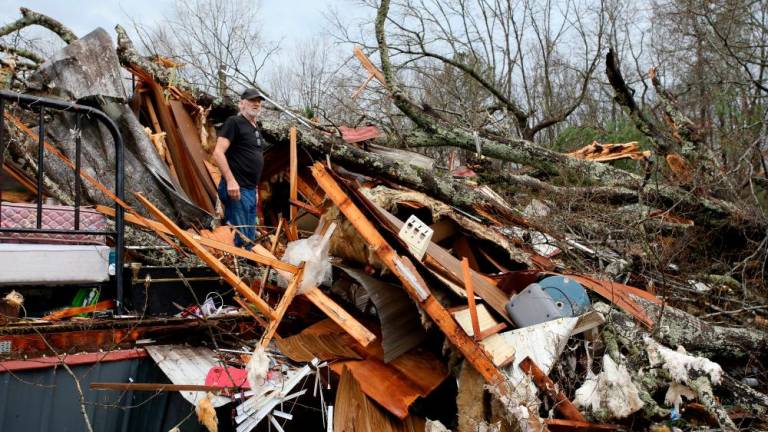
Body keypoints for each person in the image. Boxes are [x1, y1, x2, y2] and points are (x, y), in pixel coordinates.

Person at [212, 88, 266, 250]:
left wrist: (255, 189)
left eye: (258, 101)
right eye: (251, 100)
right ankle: (238, 270)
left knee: (248, 237)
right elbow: (218, 152)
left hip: (249, 190)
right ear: (241, 104)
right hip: (237, 188)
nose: (256, 104)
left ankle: (247, 272)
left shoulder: (255, 128)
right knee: (240, 238)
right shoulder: (234, 122)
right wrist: (230, 181)